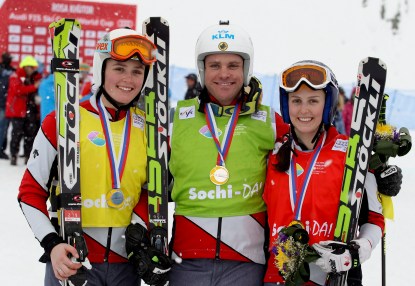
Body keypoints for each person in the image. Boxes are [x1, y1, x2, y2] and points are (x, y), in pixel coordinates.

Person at [18, 28, 171, 286]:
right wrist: (52, 244)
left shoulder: (151, 131)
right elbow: (30, 192)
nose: (129, 79)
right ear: (101, 69)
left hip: (126, 267)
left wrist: (140, 224)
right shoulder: (61, 122)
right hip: (72, 262)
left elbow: (154, 189)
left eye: (137, 71)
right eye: (119, 68)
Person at [168, 21, 289, 285]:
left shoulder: (268, 121)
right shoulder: (177, 119)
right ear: (202, 70)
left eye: (233, 65)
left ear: (246, 70)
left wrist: (371, 165)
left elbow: (313, 152)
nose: (224, 74)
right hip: (186, 260)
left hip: (246, 261)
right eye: (215, 65)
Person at [263, 60, 390, 285]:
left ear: (328, 104)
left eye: (313, 101)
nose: (304, 110)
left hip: (333, 276)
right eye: (296, 101)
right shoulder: (272, 156)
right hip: (277, 277)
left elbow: (374, 219)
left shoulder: (351, 153)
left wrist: (358, 250)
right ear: (286, 105)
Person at [5, 55, 42, 165]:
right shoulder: (15, 76)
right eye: (30, 67)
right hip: (18, 111)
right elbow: (18, 90)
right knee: (16, 134)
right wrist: (34, 87)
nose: (32, 69)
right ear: (25, 67)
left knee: (29, 135)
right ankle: (14, 156)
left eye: (33, 67)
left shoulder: (32, 77)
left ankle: (27, 156)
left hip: (28, 110)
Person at [0, 52, 16, 159]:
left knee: (4, 128)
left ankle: (2, 148)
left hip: (8, 104)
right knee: (2, 127)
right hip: (2, 103)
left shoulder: (13, 71)